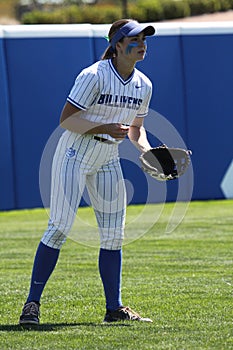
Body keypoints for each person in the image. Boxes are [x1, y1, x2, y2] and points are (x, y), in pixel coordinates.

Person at [19, 18, 156, 325]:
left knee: (113, 236)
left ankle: (114, 309)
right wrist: (105, 126)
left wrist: (145, 150)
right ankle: (32, 304)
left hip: (107, 158)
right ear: (117, 45)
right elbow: (67, 119)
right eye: (134, 38)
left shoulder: (143, 84)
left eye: (145, 38)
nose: (142, 43)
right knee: (59, 227)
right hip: (75, 153)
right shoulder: (94, 75)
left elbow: (136, 129)